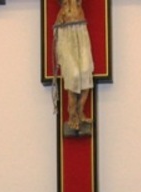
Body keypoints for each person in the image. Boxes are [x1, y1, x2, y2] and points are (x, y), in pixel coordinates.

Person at [54, 0, 94, 133]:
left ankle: (80, 111)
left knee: (86, 71)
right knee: (74, 74)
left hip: (80, 29)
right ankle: (72, 113)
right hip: (65, 30)